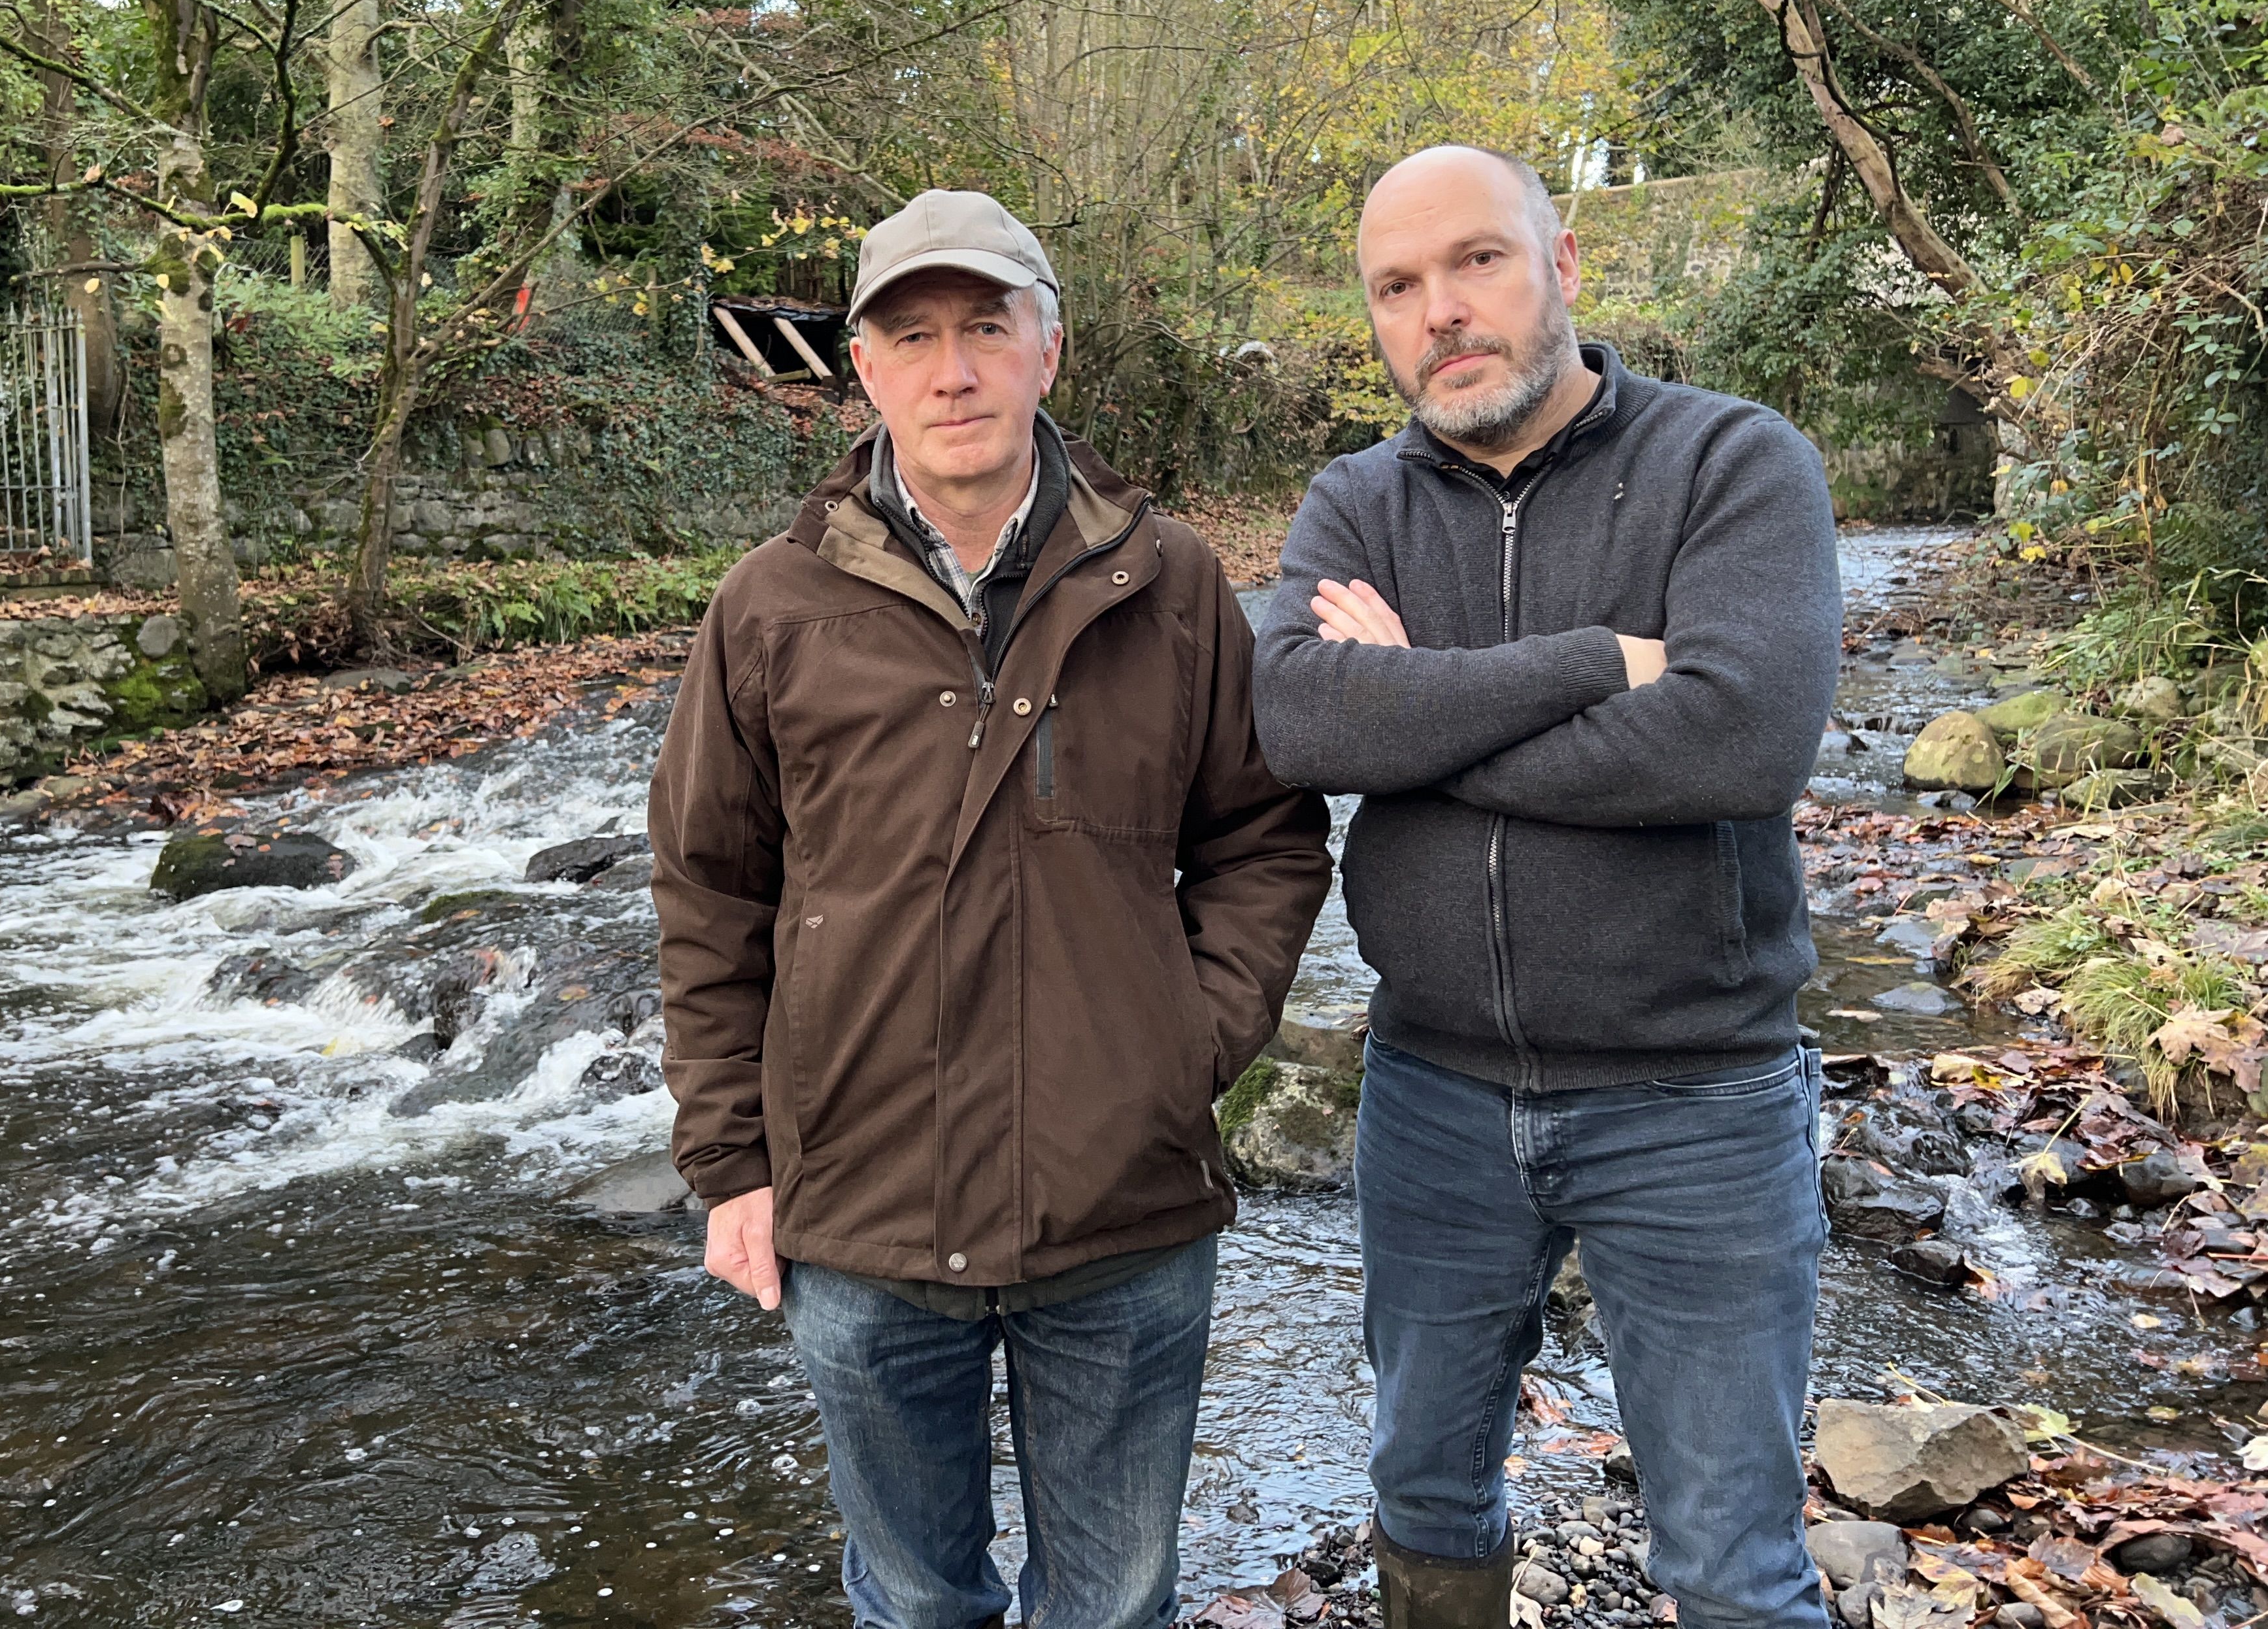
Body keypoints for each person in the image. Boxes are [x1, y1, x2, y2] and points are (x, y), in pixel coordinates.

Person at [650, 188, 1334, 1629]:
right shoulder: (768, 608)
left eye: (985, 328)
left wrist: (1180, 1049)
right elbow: (712, 895)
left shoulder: (1174, 586)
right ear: (863, 368)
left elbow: (1265, 843)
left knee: (1116, 1604)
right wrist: (730, 1166)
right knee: (913, 1604)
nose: (952, 371)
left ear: (1049, 350)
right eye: (912, 337)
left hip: (1123, 1209)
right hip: (860, 1212)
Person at [1253, 146, 1841, 1629]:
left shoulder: (1732, 461)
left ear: (1562, 262)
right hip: (1434, 1097)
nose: (1441, 311)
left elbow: (1737, 739)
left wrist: (1422, 716)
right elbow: (1301, 723)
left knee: (1731, 1562)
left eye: (1479, 261)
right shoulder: (1358, 501)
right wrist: (1593, 664)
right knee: (1426, 1494)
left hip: (1697, 1099)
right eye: (1398, 286)